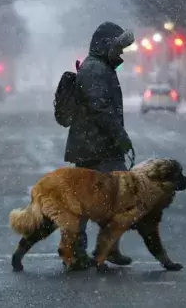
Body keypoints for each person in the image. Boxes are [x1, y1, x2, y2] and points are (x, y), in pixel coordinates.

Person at [64, 21, 135, 267]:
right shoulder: (95, 69)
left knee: (107, 200)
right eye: (119, 47)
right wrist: (119, 135)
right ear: (106, 45)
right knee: (94, 202)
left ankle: (100, 249)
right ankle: (78, 252)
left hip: (97, 146)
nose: (121, 52)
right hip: (96, 148)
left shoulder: (100, 67)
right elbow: (100, 108)